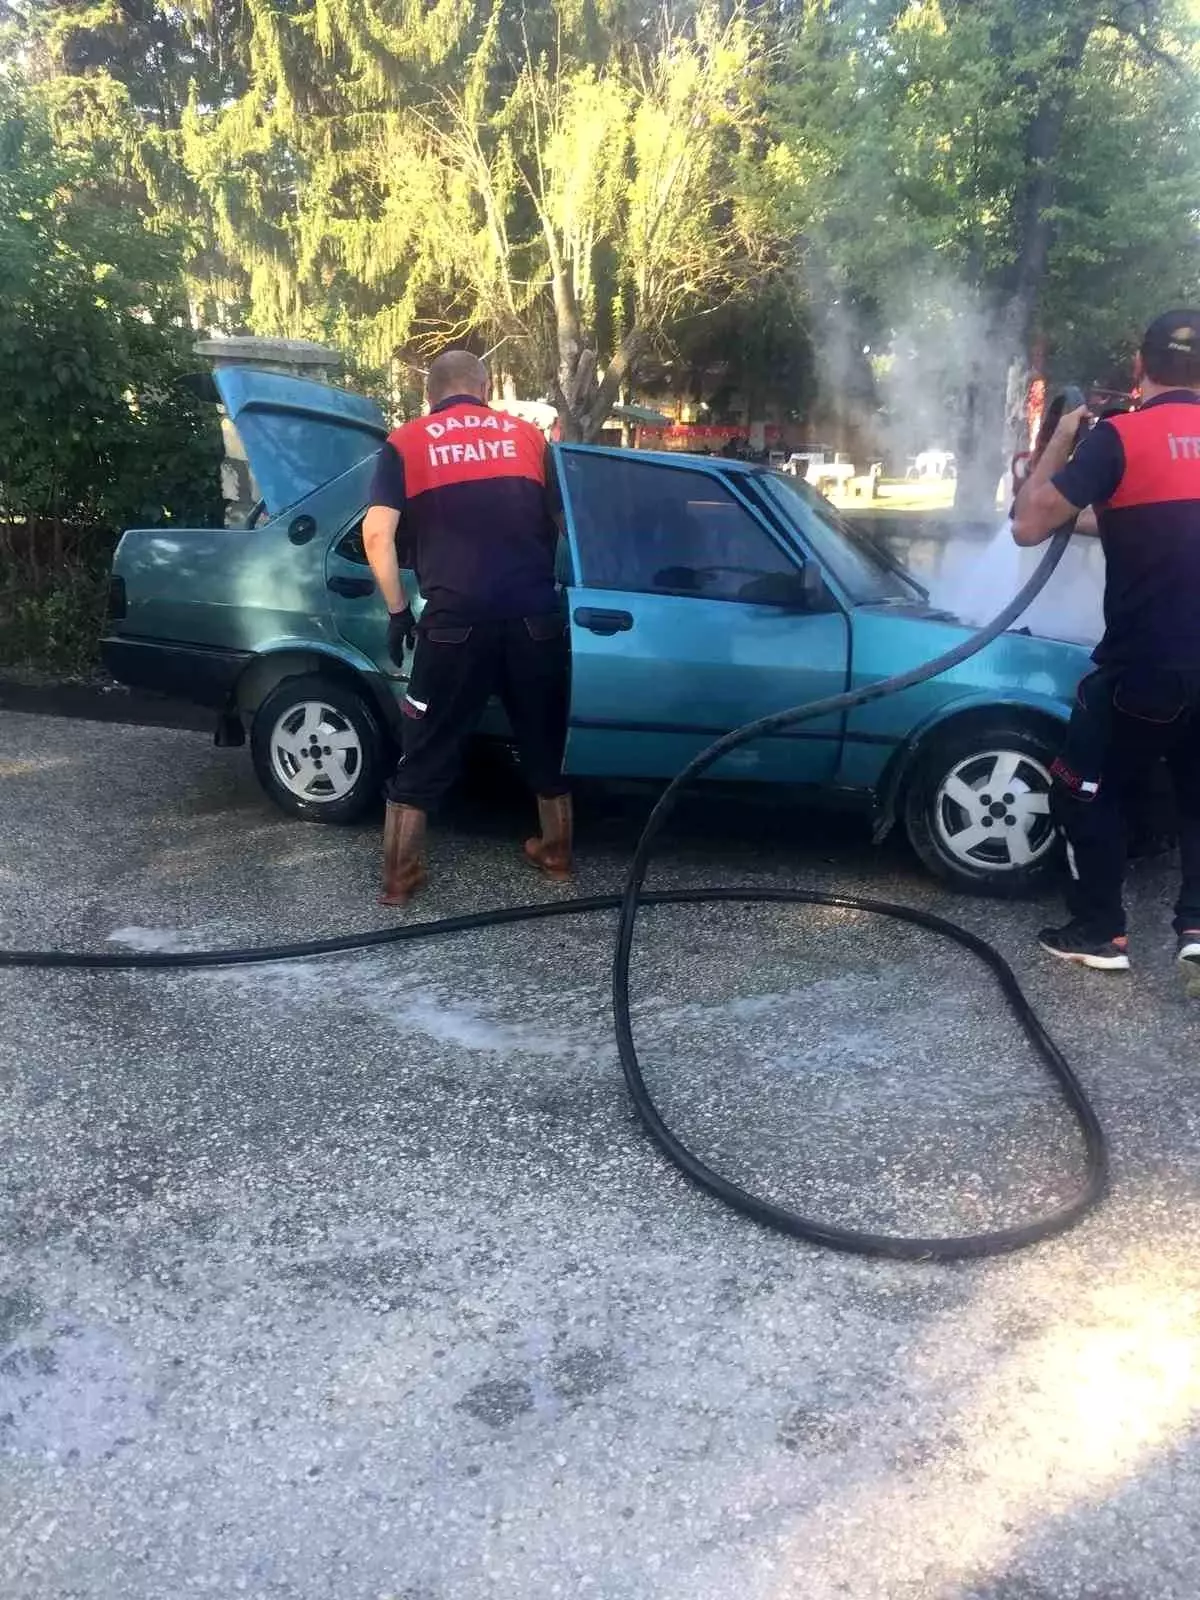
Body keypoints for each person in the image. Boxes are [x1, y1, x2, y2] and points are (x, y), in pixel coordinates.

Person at [1012, 310, 1200, 992]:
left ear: (1138, 365)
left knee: (1085, 789)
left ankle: (1100, 931)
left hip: (1143, 674)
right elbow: (1169, 517)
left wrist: (1063, 432)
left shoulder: (1121, 437)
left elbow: (1030, 525)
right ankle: (1195, 930)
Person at [362, 350, 570, 906]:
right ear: (485, 388)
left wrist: (398, 611)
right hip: (535, 621)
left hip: (454, 627)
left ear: (432, 394)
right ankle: (556, 852)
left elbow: (378, 536)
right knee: (543, 735)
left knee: (425, 746)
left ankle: (400, 878)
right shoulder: (528, 440)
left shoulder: (406, 442)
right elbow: (563, 526)